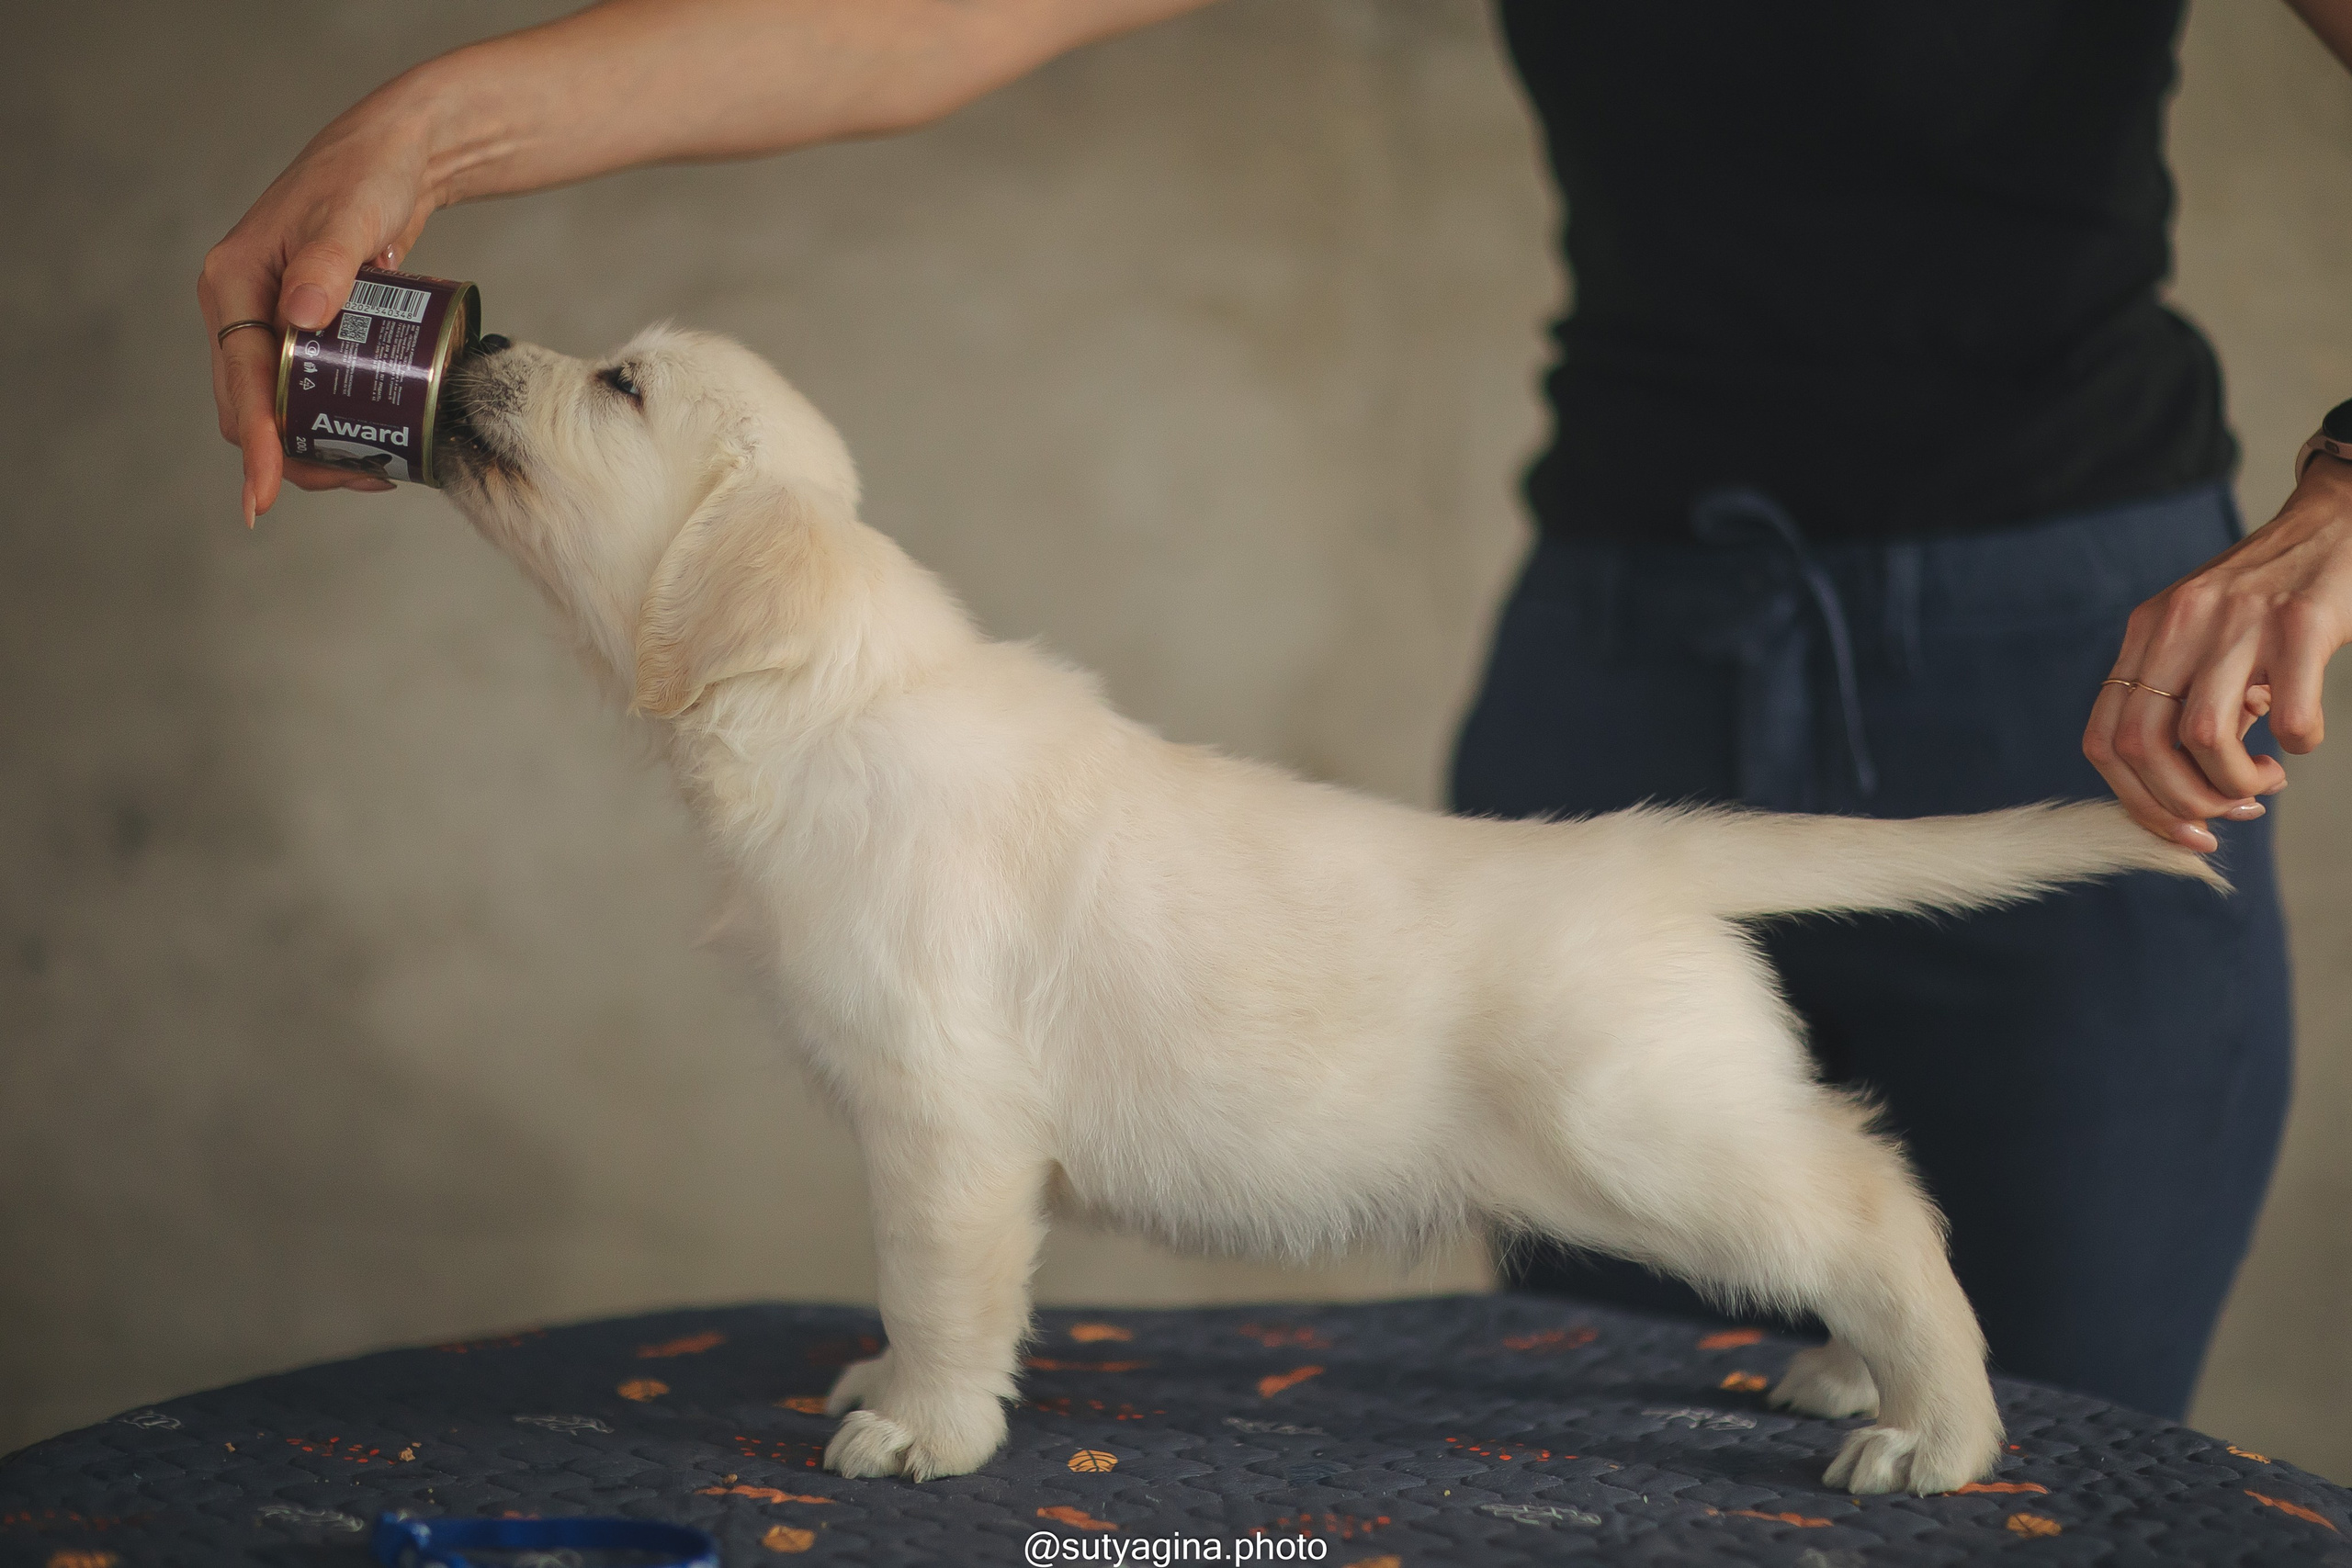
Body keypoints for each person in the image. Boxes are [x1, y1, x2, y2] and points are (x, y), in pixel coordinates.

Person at [202, 1, 2352, 1420]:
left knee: (2050, 1468)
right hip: (1621, 637)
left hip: (2092, 646)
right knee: (1580, 1456)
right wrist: (434, 122)